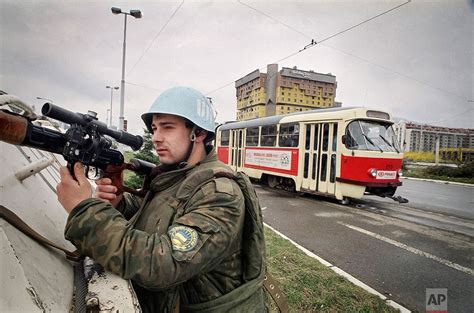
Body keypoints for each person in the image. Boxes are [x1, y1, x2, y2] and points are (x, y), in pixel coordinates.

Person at [56, 86, 266, 312]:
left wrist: (84, 210)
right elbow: (162, 210)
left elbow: (161, 264)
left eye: (167, 128)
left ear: (199, 133)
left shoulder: (219, 194)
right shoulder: (180, 174)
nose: (156, 138)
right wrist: (121, 203)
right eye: (154, 129)